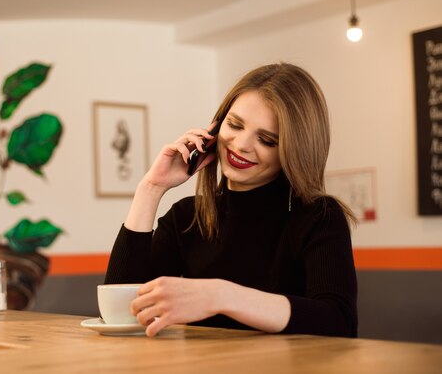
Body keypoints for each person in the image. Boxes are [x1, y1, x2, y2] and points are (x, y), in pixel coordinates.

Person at [104, 62, 358, 338]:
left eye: (267, 140)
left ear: (294, 151)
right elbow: (121, 314)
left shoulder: (318, 217)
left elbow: (339, 322)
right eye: (234, 125)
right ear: (215, 126)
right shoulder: (187, 217)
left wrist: (222, 296)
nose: (240, 144)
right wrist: (151, 188)